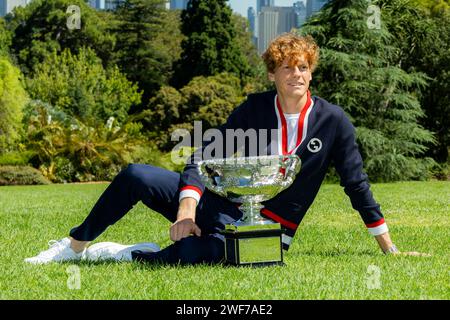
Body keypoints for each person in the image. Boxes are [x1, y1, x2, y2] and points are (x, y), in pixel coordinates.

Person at [25, 33, 423, 265]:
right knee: (135, 175)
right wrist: (186, 207)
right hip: (223, 205)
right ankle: (74, 246)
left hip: (270, 231)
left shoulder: (332, 121)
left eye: (303, 67)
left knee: (189, 255)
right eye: (287, 68)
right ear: (273, 74)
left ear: (311, 71)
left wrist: (388, 248)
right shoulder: (252, 108)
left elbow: (357, 184)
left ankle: (128, 253)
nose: (296, 74)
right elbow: (203, 155)